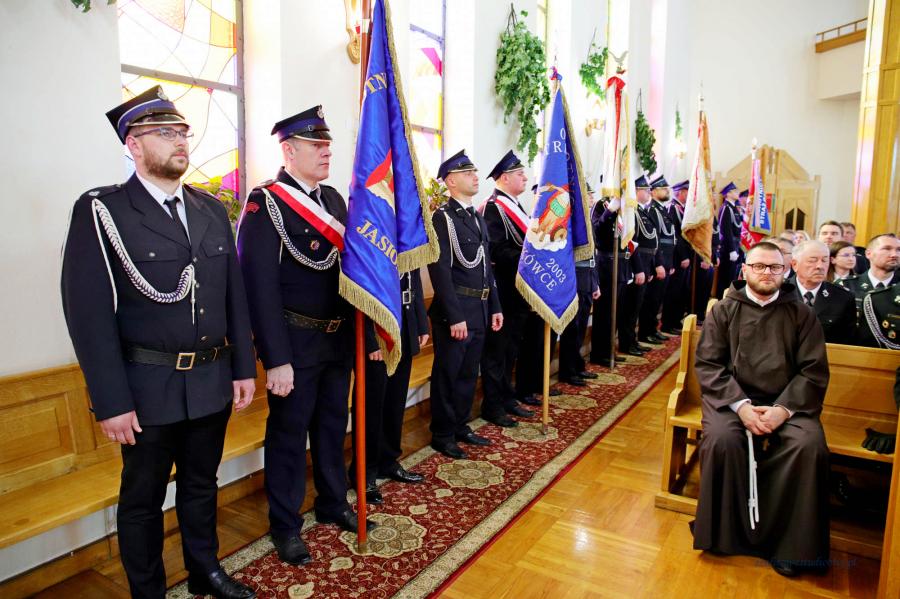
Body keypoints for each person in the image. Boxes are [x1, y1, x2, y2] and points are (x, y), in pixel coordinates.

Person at [61, 86, 258, 599]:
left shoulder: (210, 209)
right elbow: (87, 314)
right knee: (143, 499)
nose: (180, 141)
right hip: (146, 388)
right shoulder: (103, 210)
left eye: (182, 132)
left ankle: (204, 572)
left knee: (201, 485)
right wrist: (111, 401)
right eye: (164, 133)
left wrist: (243, 367)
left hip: (211, 379)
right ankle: (147, 591)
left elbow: (233, 295)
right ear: (133, 144)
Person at [237, 106, 373, 568]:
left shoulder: (333, 200)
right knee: (289, 437)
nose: (326, 151)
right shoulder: (266, 203)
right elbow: (259, 287)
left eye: (327, 144)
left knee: (333, 427)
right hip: (294, 345)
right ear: (289, 151)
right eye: (316, 145)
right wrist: (275, 358)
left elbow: (353, 273)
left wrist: (365, 335)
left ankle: (332, 501)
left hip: (337, 340)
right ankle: (285, 524)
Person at [692, 241, 830, 578]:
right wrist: (741, 407)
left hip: (788, 403)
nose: (766, 273)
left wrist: (783, 409)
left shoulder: (802, 314)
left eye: (774, 267)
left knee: (808, 446)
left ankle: (790, 547)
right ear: (745, 270)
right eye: (759, 266)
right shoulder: (723, 311)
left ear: (785, 271)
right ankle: (724, 536)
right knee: (722, 440)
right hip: (732, 401)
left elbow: (812, 371)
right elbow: (709, 365)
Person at [427, 150, 503, 459]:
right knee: (448, 374)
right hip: (457, 312)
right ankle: (442, 433)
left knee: (469, 373)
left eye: (474, 172)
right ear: (451, 181)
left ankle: (460, 424)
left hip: (479, 308)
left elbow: (487, 268)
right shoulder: (442, 218)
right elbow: (440, 270)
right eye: (468, 173)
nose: (475, 177)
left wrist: (495, 306)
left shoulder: (476, 216)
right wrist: (454, 315)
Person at [348, 269, 430, 505]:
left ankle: (388, 460)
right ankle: (364, 472)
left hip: (404, 323)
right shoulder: (369, 241)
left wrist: (420, 323)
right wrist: (368, 339)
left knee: (395, 400)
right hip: (377, 329)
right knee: (372, 405)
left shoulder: (404, 243)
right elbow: (358, 287)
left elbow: (413, 277)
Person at [478, 150, 537, 426]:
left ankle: (506, 396)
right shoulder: (494, 208)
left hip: (517, 291)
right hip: (502, 291)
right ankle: (493, 405)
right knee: (497, 351)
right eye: (519, 174)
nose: (525, 177)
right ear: (504, 178)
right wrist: (531, 258)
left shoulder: (516, 205)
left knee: (511, 348)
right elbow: (497, 251)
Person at [558, 182, 601, 385]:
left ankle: (577, 366)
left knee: (581, 326)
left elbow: (593, 255)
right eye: (588, 195)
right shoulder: (572, 220)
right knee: (572, 328)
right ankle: (568, 371)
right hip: (575, 277)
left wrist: (595, 283)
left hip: (587, 278)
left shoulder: (586, 220)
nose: (592, 198)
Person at [838, 234, 900, 346]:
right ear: (868, 254)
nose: (894, 254)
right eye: (887, 249)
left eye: (898, 250)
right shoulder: (846, 285)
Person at [590, 192, 630, 364]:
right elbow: (596, 230)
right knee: (604, 312)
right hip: (606, 263)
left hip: (621, 264)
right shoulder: (601, 205)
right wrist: (609, 211)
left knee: (617, 310)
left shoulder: (625, 205)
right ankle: (599, 353)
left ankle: (609, 349)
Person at [619, 175, 657, 355]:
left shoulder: (641, 211)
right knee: (631, 307)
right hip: (636, 263)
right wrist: (639, 269)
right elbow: (632, 243)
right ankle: (627, 343)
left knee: (637, 306)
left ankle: (632, 341)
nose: (649, 192)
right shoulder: (631, 212)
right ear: (636, 191)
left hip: (646, 262)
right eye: (645, 190)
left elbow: (651, 241)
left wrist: (650, 267)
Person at [791, 241, 857, 344]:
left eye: (825, 260)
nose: (820, 266)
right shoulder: (778, 293)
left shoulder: (843, 298)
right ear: (795, 264)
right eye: (812, 260)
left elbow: (848, 342)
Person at [639, 174, 675, 344]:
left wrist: (670, 263)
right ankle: (646, 332)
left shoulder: (662, 210)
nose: (667, 191)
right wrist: (659, 264)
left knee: (658, 298)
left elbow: (670, 239)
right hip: (657, 262)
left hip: (666, 261)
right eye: (663, 188)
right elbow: (656, 240)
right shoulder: (652, 210)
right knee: (651, 299)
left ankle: (653, 329)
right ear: (653, 192)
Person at [661, 179, 692, 334]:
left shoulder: (682, 208)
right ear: (681, 192)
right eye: (687, 192)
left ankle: (676, 320)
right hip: (677, 258)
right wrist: (683, 256)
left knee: (682, 290)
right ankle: (668, 323)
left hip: (685, 256)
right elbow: (676, 236)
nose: (689, 195)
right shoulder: (672, 208)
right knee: (673, 291)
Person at [716, 182, 743, 297]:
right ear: (728, 194)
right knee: (725, 277)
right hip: (728, 248)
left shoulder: (734, 208)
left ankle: (728, 298)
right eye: (735, 191)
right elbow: (725, 230)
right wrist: (731, 250)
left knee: (731, 276)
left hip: (735, 246)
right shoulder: (726, 208)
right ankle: (721, 300)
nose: (738, 193)